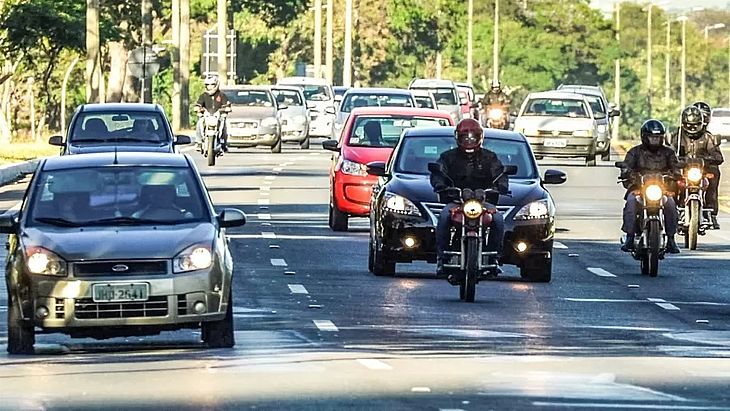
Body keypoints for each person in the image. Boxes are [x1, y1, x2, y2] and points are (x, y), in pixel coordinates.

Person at [430, 118, 509, 280]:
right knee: (444, 217)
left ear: (480, 137)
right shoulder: (447, 157)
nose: (469, 140)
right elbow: (438, 174)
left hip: (482, 202)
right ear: (457, 137)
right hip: (456, 201)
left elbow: (500, 174)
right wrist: (442, 186)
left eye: (473, 137)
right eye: (465, 137)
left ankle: (494, 257)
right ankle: (441, 257)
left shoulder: (490, 157)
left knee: (498, 220)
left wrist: (499, 187)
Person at [621, 119, 681, 254]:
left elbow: (676, 167)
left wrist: (676, 174)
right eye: (652, 137)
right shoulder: (635, 152)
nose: (655, 140)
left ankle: (671, 239)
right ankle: (629, 237)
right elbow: (626, 167)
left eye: (657, 138)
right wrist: (628, 174)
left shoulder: (669, 153)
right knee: (631, 203)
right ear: (644, 137)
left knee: (671, 205)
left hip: (662, 189)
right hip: (639, 188)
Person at [669, 105, 724, 229]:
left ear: (702, 123)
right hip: (683, 169)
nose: (692, 128)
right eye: (689, 125)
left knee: (714, 175)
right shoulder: (677, 137)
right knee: (670, 181)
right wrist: (674, 160)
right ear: (683, 123)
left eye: (696, 125)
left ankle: (712, 212)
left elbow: (718, 155)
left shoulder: (707, 137)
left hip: (702, 170)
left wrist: (709, 159)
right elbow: (669, 152)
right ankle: (671, 211)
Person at [194, 74, 230, 151]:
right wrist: (198, 108)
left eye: (212, 84)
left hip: (218, 115)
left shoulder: (222, 95)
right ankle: (199, 142)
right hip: (207, 115)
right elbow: (198, 104)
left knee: (224, 125)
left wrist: (226, 109)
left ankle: (223, 143)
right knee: (199, 122)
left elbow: (226, 104)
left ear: (216, 84)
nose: (210, 87)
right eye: (208, 85)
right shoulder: (203, 95)